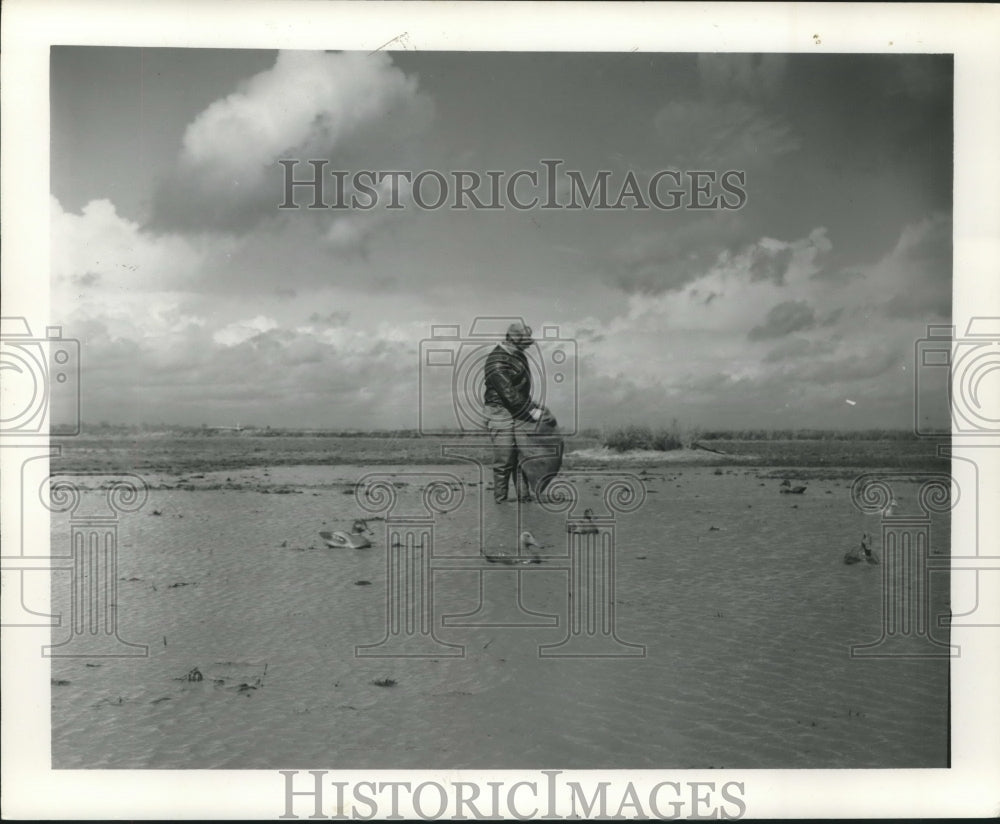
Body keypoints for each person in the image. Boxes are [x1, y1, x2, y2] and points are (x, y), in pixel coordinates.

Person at [483, 320, 542, 503]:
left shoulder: (519, 355)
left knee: (522, 455)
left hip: (517, 407)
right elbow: (508, 393)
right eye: (522, 343)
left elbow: (521, 390)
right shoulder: (496, 360)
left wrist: (531, 407)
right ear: (510, 340)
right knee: (505, 458)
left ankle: (524, 498)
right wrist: (531, 412)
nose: (525, 348)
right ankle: (500, 501)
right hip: (499, 410)